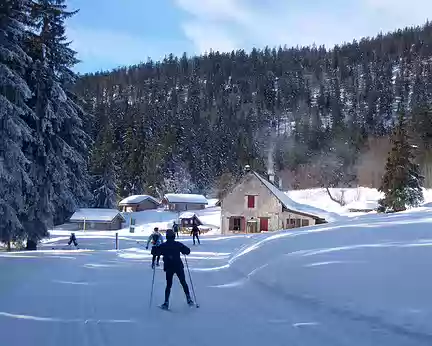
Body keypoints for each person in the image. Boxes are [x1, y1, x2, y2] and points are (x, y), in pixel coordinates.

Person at [151, 229, 193, 309]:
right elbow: (187, 251)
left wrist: (154, 248)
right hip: (178, 266)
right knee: (183, 282)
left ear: (167, 237)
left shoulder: (163, 245)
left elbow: (155, 253)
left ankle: (166, 303)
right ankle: (189, 299)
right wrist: (183, 251)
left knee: (168, 285)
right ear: (174, 236)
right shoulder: (178, 244)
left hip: (169, 267)